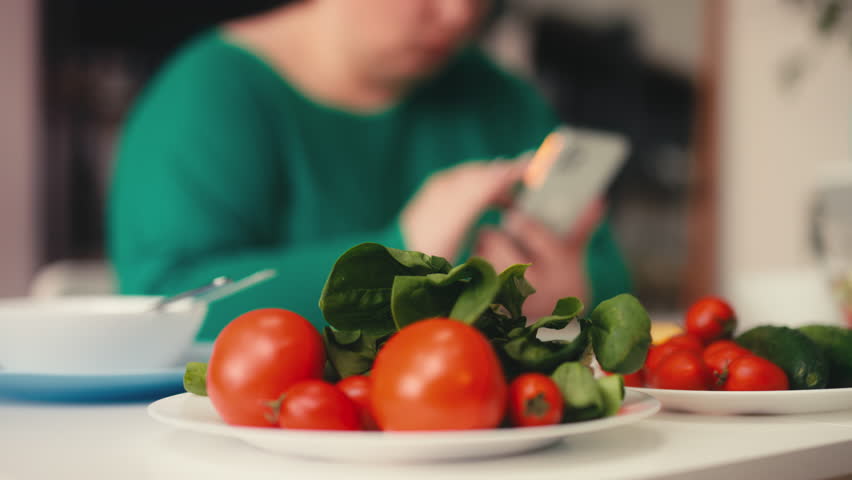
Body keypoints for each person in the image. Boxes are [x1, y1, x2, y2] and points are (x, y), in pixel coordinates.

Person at [108, 0, 631, 340]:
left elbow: (613, 282)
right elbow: (161, 308)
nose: (457, 14)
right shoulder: (209, 95)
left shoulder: (503, 100)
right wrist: (400, 254)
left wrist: (572, 290)